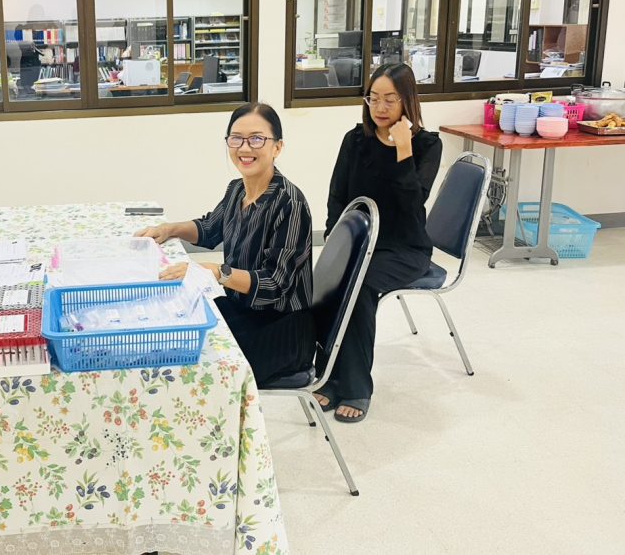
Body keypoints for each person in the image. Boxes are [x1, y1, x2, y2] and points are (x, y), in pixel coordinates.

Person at [137, 103, 315, 386]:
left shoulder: (289, 203)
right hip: (243, 310)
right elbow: (209, 229)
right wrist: (168, 229)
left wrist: (218, 272)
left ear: (277, 147)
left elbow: (274, 284)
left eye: (257, 139)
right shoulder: (237, 189)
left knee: (189, 364)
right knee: (171, 325)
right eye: (236, 138)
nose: (245, 148)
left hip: (281, 330)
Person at [317, 63, 442, 423]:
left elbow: (412, 206)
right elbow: (338, 197)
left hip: (404, 248)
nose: (380, 107)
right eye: (374, 98)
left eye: (390, 99)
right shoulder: (355, 140)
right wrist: (336, 241)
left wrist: (403, 149)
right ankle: (327, 375)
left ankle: (356, 387)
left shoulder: (426, 145)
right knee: (328, 281)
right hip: (359, 244)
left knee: (359, 286)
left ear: (408, 101)